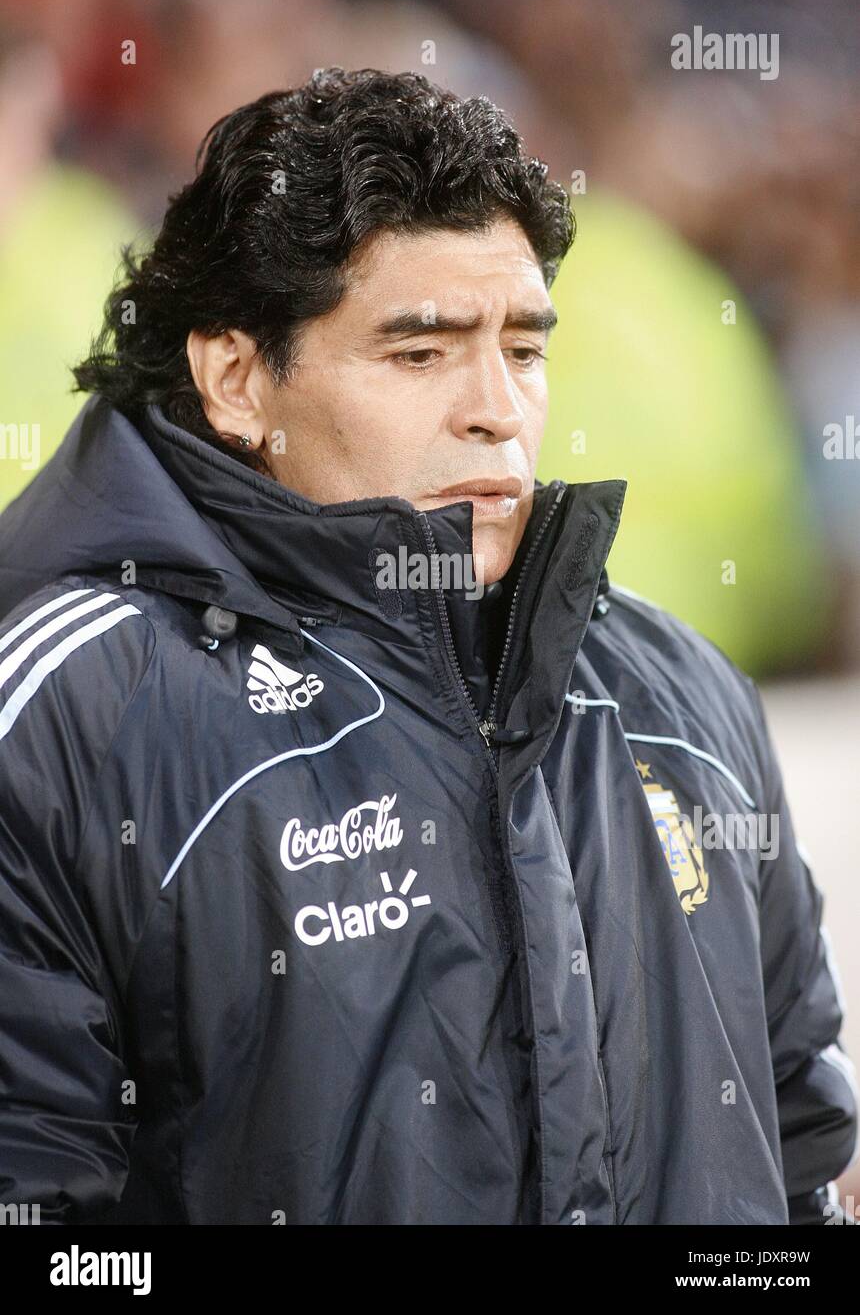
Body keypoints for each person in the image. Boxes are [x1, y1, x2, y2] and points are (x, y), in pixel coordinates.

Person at [0, 68, 855, 1226]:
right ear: (238, 378)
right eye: (420, 353)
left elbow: (800, 1164)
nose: (495, 406)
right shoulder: (71, 720)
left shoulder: (679, 695)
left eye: (523, 348)